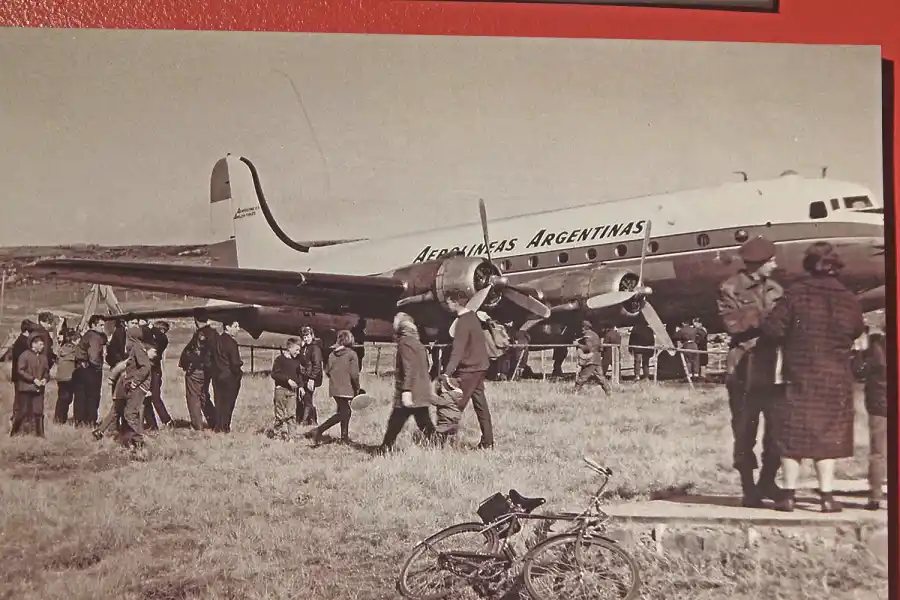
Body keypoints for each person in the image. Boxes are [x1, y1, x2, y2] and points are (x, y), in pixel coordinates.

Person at [759, 242, 866, 513]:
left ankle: (789, 495)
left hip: (799, 373)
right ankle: (827, 497)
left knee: (792, 435)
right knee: (828, 436)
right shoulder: (848, 298)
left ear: (808, 265)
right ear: (835, 265)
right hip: (835, 377)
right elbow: (855, 330)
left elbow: (773, 330)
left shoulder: (795, 295)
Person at [716, 235, 785, 508]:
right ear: (759, 263)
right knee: (745, 428)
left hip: (774, 365)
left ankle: (768, 480)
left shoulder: (776, 288)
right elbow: (733, 323)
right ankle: (748, 487)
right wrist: (770, 318)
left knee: (777, 428)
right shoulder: (730, 289)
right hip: (743, 366)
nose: (775, 264)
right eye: (771, 260)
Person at [376, 313, 437, 453]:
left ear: (401, 324)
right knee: (424, 422)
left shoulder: (404, 342)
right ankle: (439, 446)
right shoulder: (417, 342)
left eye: (395, 321)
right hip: (421, 389)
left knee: (395, 422)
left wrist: (406, 390)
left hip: (410, 391)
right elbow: (426, 365)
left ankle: (384, 449)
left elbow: (408, 367)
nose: (392, 324)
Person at [442, 290, 493, 449]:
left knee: (455, 405)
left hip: (470, 369)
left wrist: (447, 372)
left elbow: (457, 351)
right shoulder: (473, 317)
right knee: (481, 405)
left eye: (448, 302)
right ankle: (488, 442)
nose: (447, 305)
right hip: (481, 366)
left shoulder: (463, 322)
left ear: (454, 302)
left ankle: (441, 439)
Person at [310, 330, 360, 446]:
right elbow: (354, 375)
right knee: (345, 412)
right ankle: (319, 430)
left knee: (344, 411)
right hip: (347, 387)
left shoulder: (332, 354)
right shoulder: (352, 354)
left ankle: (344, 437)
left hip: (334, 387)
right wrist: (357, 388)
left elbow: (327, 371)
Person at [858, 328, 888, 511]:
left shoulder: (876, 345)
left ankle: (875, 496)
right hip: (882, 401)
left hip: (880, 402)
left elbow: (859, 371)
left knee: (878, 451)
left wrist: (861, 349)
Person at [115, 327, 156, 451]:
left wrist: (135, 382)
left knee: (130, 413)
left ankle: (139, 442)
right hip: (136, 385)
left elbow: (145, 367)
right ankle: (132, 441)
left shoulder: (137, 347)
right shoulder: (137, 347)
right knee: (130, 412)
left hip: (137, 387)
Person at [178, 312, 219, 431]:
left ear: (196, 320)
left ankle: (197, 425)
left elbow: (196, 353)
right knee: (204, 395)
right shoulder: (214, 334)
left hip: (196, 370)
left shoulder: (200, 334)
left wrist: (189, 363)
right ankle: (214, 422)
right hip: (208, 371)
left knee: (193, 397)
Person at [10, 334, 50, 437]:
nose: (42, 346)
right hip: (25, 388)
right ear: (33, 344)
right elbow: (20, 370)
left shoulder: (43, 357)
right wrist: (33, 379)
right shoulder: (25, 355)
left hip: (38, 389)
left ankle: (40, 434)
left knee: (39, 412)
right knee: (22, 412)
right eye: (40, 344)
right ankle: (14, 432)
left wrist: (45, 379)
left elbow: (46, 371)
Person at [72, 315, 108, 427]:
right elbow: (93, 356)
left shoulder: (87, 335)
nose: (103, 328)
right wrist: (99, 367)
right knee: (92, 396)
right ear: (93, 325)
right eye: (101, 325)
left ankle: (79, 421)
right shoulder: (95, 337)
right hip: (91, 371)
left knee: (80, 397)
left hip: (79, 369)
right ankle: (90, 422)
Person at [211, 320, 244, 433]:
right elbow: (235, 362)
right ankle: (225, 427)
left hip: (217, 376)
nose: (238, 329)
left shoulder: (217, 341)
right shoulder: (231, 343)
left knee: (219, 402)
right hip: (230, 377)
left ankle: (219, 426)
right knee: (228, 403)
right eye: (235, 326)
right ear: (227, 327)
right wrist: (239, 372)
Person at [269, 338, 304, 440]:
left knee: (291, 414)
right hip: (281, 390)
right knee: (279, 415)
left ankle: (292, 436)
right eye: (296, 350)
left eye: (299, 350)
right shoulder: (280, 360)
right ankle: (277, 435)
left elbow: (299, 376)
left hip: (292, 392)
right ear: (289, 348)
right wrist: (287, 380)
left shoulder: (297, 361)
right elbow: (274, 374)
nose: (298, 353)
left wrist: (301, 387)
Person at [144, 321, 173, 429]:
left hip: (154, 372)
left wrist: (151, 327)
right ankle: (152, 424)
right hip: (151, 371)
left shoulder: (163, 340)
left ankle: (167, 421)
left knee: (155, 397)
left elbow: (159, 337)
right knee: (146, 398)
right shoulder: (155, 339)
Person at [574, 321, 612, 395]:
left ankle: (575, 391)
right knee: (601, 377)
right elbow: (601, 348)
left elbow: (588, 348)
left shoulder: (587, 336)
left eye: (582, 327)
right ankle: (608, 391)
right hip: (597, 359)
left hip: (590, 360)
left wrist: (578, 345)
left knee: (583, 376)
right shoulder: (595, 335)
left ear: (584, 327)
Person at [297, 326, 323, 426]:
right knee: (305, 398)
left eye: (307, 336)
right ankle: (311, 420)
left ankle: (305, 421)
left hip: (310, 377)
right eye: (304, 336)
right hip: (304, 377)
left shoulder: (315, 348)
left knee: (307, 398)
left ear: (312, 335)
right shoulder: (305, 348)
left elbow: (317, 365)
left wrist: (312, 379)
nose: (306, 338)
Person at [53, 328, 79, 424]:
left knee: (62, 398)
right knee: (67, 399)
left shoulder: (62, 349)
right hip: (69, 377)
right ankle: (61, 419)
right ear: (74, 340)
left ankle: (58, 419)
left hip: (60, 377)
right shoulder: (75, 350)